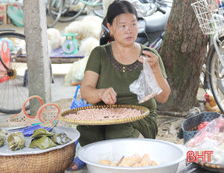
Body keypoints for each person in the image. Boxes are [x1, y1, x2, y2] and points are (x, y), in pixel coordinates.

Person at [69, 0, 171, 170]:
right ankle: (103, 156)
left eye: (133, 23)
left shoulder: (149, 55)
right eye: (122, 25)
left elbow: (163, 97)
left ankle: (129, 154)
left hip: (140, 119)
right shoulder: (99, 54)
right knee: (87, 129)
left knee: (117, 131)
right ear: (110, 27)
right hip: (105, 116)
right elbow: (86, 92)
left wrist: (155, 69)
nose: (129, 30)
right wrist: (101, 93)